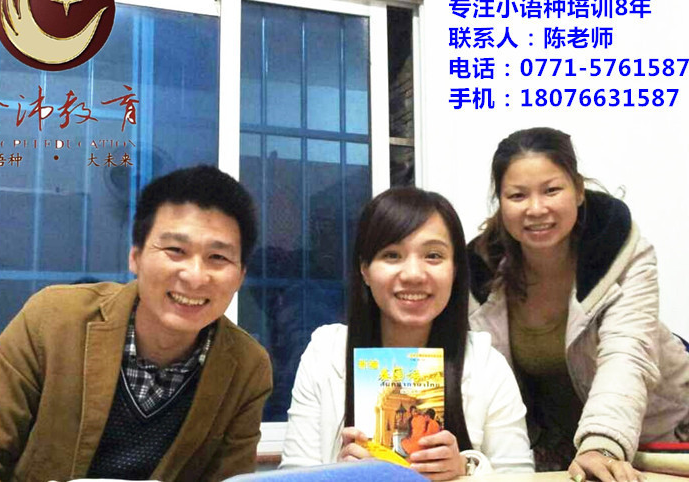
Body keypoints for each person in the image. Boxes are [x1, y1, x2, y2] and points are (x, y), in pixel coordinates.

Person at [0, 165, 273, 482]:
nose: (195, 276)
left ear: (241, 275)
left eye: (218, 257)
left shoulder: (246, 367)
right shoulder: (53, 320)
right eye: (175, 250)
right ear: (135, 257)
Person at [468, 127, 689, 482]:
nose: (536, 209)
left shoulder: (623, 252)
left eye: (551, 190)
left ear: (579, 190)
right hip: (559, 456)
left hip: (659, 439)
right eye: (518, 195)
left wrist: (602, 445)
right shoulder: (477, 276)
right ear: (501, 202)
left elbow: (626, 354)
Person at [280, 187, 534, 479]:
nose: (413, 274)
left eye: (433, 255)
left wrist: (465, 469)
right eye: (392, 255)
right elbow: (292, 476)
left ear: (455, 270)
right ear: (365, 270)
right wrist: (338, 476)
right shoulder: (326, 354)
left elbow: (521, 477)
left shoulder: (486, 365)